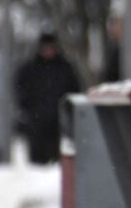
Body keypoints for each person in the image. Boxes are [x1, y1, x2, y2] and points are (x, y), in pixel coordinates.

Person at [16, 32, 82, 165]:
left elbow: (74, 90)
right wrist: (28, 108)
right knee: (37, 162)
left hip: (59, 123)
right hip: (36, 122)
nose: (49, 51)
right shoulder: (30, 69)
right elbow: (20, 90)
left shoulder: (65, 68)